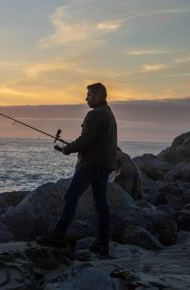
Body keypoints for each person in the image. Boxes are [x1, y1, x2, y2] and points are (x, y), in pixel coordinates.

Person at [37, 82, 117, 255]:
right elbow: (95, 140)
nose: (86, 98)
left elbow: (85, 141)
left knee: (71, 195)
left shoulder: (94, 115)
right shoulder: (108, 113)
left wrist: (67, 149)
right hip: (105, 165)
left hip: (91, 165)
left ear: (97, 96)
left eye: (88, 95)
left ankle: (58, 235)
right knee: (101, 203)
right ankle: (103, 242)